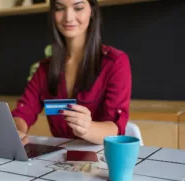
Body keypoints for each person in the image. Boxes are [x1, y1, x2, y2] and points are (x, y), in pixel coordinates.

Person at [12, 0, 132, 145]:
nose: (68, 17)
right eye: (59, 8)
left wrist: (88, 128)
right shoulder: (44, 69)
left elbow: (115, 129)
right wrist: (16, 131)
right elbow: (23, 113)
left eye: (78, 8)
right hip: (61, 157)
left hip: (101, 157)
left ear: (92, 11)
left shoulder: (115, 63)